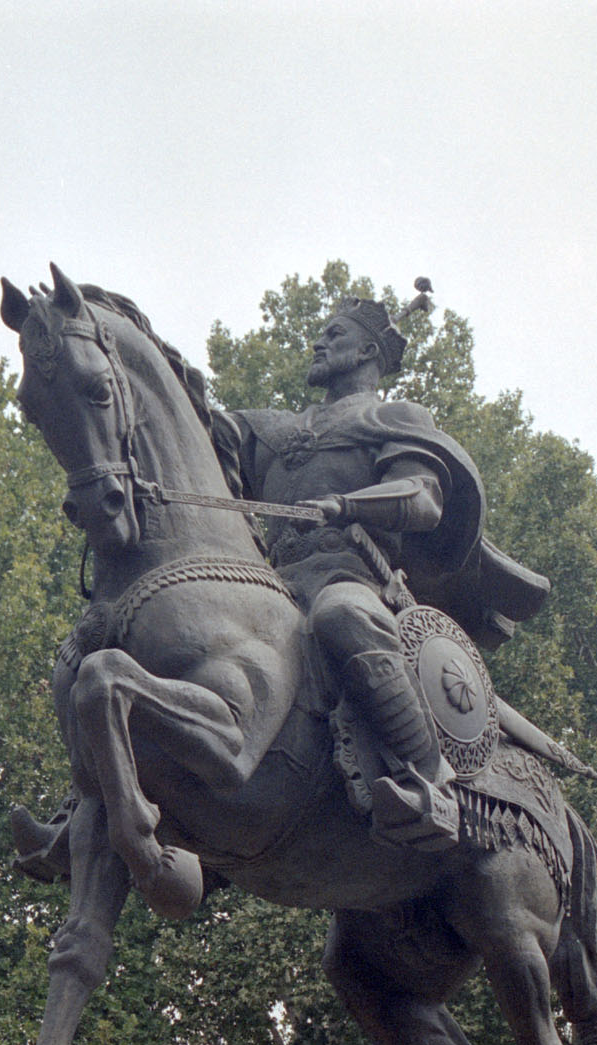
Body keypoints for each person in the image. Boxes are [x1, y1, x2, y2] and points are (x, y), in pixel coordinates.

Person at [230, 290, 548, 853]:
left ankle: (426, 781)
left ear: (368, 350)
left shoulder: (395, 418)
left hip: (348, 575)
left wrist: (350, 505)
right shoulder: (273, 428)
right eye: (321, 333)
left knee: (343, 615)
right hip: (269, 582)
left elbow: (423, 499)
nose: (319, 341)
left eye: (335, 334)